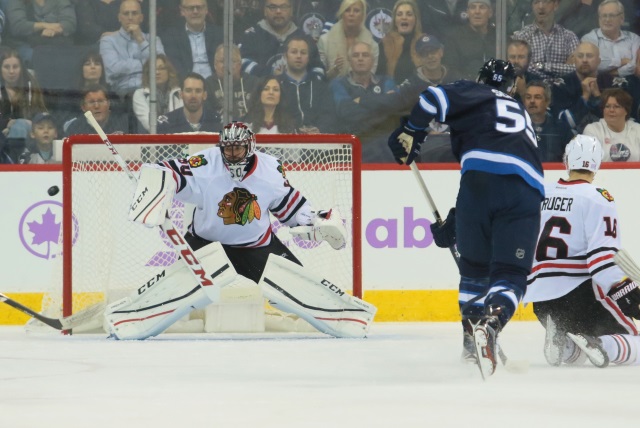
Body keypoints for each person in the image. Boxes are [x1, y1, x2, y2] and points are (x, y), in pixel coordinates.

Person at [106, 121, 376, 339]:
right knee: (174, 290)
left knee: (297, 284)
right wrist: (154, 181)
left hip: (257, 246)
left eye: (238, 148)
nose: (232, 154)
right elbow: (170, 172)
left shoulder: (270, 170)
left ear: (251, 147)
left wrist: (315, 222)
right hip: (205, 245)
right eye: (228, 148)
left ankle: (344, 318)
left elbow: (288, 206)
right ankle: (131, 318)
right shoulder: (205, 165)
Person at [388, 58, 544, 377]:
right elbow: (507, 171)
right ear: (512, 88)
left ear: (479, 78)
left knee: (473, 272)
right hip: (523, 192)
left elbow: (431, 98)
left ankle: (470, 344)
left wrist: (410, 130)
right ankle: (492, 323)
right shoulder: (520, 114)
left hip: (476, 187)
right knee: (510, 275)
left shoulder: (473, 92)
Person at [524, 134, 640, 368]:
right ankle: (598, 343)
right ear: (597, 163)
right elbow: (602, 258)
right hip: (579, 293)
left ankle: (564, 345)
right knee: (634, 342)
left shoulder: (541, 194)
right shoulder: (598, 198)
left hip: (540, 299)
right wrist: (624, 290)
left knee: (576, 358)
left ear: (567, 161)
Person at [330, 41, 397, 162]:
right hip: (351, 147)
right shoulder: (338, 83)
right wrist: (380, 104)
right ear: (349, 60)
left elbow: (392, 108)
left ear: (372, 60)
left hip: (384, 147)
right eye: (356, 55)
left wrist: (360, 100)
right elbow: (345, 111)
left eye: (365, 55)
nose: (360, 59)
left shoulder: (387, 81)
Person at [239, 0, 324, 79]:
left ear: (291, 11)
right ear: (265, 10)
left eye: (284, 7)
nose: (278, 11)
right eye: (273, 7)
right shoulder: (252, 35)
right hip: (260, 92)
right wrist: (271, 72)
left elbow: (318, 69)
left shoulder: (304, 37)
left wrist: (302, 81)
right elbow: (242, 63)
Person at [100, 0, 166, 95]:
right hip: (121, 93)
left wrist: (140, 40)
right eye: (126, 13)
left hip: (150, 90)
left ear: (141, 17)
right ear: (119, 17)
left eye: (134, 13)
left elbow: (161, 66)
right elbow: (113, 69)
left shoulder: (154, 39)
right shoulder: (108, 41)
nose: (130, 18)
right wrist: (145, 65)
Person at [278, 34, 337, 134]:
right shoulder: (276, 85)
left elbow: (329, 115)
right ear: (285, 56)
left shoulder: (321, 86)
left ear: (308, 57)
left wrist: (319, 129)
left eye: (303, 52)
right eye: (294, 52)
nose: (298, 56)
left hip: (315, 143)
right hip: (284, 141)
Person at [513, 0, 580, 80]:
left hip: (563, 90)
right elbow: (521, 67)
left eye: (545, 1)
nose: (541, 7)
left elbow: (578, 67)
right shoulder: (522, 36)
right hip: (531, 89)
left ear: (556, 5)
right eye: (536, 2)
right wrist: (562, 69)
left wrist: (541, 66)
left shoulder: (569, 37)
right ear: (532, 7)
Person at [317, 0, 379, 80]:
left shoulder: (372, 45)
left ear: (363, 15)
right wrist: (334, 70)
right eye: (347, 10)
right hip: (331, 89)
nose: (351, 14)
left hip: (361, 91)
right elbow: (320, 78)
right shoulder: (324, 41)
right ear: (342, 14)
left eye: (356, 11)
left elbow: (371, 78)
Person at [161, 0, 223, 80]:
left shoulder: (220, 34)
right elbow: (175, 67)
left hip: (216, 84)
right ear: (182, 11)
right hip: (186, 84)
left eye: (199, 7)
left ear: (206, 9)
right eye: (191, 8)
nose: (195, 11)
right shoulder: (171, 36)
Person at [581, 0, 640, 77]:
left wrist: (613, 73)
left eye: (611, 15)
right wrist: (621, 62)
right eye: (604, 15)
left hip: (631, 85)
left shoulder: (634, 38)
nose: (607, 19)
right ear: (599, 19)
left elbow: (634, 66)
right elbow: (591, 65)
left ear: (621, 19)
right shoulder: (589, 39)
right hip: (601, 87)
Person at [4, 0, 77, 62]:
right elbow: (18, 26)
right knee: (40, 58)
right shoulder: (17, 2)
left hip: (56, 42)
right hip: (26, 43)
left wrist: (55, 31)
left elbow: (70, 23)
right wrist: (44, 26)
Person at [0, 49, 47, 143]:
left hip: (30, 136)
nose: (11, 71)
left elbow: (41, 116)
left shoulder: (31, 87)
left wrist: (29, 124)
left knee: (20, 125)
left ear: (21, 68)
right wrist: (6, 123)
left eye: (15, 67)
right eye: (6, 67)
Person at [204, 44, 258, 124]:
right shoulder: (207, 85)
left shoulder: (254, 83)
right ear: (215, 65)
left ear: (239, 65)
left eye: (232, 61)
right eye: (222, 61)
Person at [443, 0, 496, 80]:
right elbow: (451, 71)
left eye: (482, 7)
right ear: (467, 12)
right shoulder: (454, 38)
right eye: (473, 7)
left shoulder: (498, 36)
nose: (477, 11)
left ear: (490, 13)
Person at [583, 88, 640, 161]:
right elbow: (589, 162)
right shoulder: (592, 130)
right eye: (607, 106)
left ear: (626, 111)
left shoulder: (638, 130)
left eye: (616, 106)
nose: (611, 110)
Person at [524, 80, 573, 162]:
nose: (532, 101)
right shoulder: (517, 127)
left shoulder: (561, 128)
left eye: (537, 97)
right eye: (528, 97)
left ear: (547, 102)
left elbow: (573, 157)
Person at [132, 55, 183, 132]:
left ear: (169, 71)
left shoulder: (179, 92)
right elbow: (150, 124)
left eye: (161, 68)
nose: (157, 72)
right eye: (153, 69)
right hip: (151, 140)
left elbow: (181, 121)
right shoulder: (140, 94)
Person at [377, 0, 423, 85]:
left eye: (409, 14)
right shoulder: (386, 42)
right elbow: (380, 76)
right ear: (394, 20)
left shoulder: (424, 41)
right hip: (393, 93)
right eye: (399, 14)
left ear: (416, 19)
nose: (404, 17)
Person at [65, 84, 134, 136]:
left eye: (100, 101)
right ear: (83, 107)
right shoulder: (74, 128)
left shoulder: (124, 123)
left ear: (108, 104)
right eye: (91, 102)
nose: (96, 106)